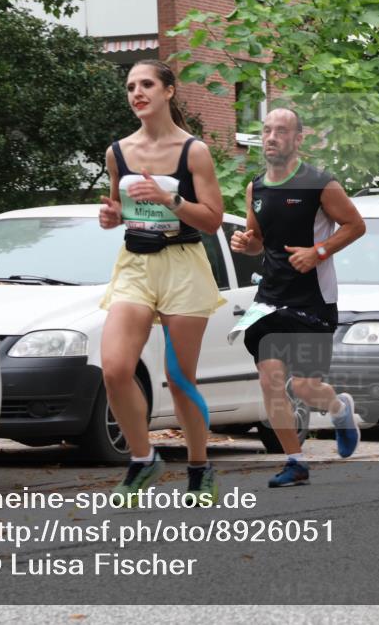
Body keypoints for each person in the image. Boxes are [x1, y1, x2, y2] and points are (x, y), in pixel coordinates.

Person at [98, 59, 225, 504]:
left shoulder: (194, 152)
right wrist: (111, 216)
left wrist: (171, 200)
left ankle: (199, 467)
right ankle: (142, 458)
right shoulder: (117, 152)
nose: (137, 92)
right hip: (135, 262)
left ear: (168, 91)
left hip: (183, 264)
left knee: (179, 377)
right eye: (131, 86)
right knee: (115, 369)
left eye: (147, 84)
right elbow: (120, 209)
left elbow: (212, 220)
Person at [230, 108, 366, 487]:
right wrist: (245, 243)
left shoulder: (320, 184)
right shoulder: (256, 188)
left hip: (313, 300)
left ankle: (339, 409)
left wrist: (317, 252)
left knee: (305, 388)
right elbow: (258, 241)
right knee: (270, 379)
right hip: (270, 299)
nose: (272, 137)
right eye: (267, 130)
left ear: (298, 139)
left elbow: (356, 225)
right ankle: (295, 461)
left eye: (281, 131)